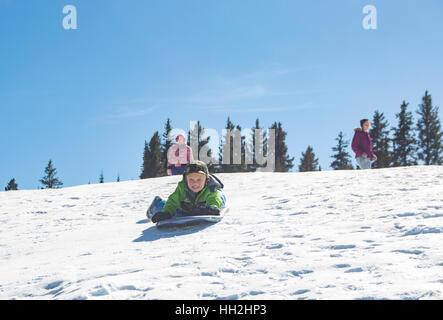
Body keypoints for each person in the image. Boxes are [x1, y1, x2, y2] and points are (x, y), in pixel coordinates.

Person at [147, 160, 226, 223]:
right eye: (191, 179)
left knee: (219, 201)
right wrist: (166, 212)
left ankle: (212, 206)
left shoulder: (210, 188)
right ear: (185, 179)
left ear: (206, 180)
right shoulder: (182, 188)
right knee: (164, 209)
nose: (195, 183)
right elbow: (173, 201)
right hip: (188, 208)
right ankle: (157, 203)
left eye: (199, 179)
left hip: (208, 203)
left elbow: (213, 198)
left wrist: (213, 206)